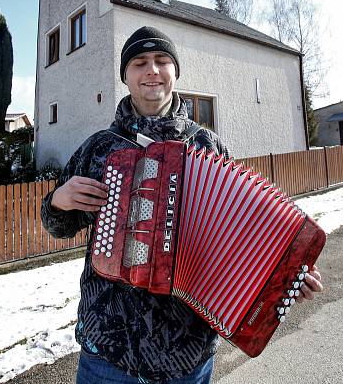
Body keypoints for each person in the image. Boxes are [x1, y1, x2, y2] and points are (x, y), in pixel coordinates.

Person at [41, 26, 324, 383]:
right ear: (126, 76)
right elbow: (57, 226)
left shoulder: (207, 145)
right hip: (107, 353)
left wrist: (288, 277)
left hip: (186, 355)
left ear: (175, 71)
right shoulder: (100, 148)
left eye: (162, 60)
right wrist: (58, 201)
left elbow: (245, 235)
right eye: (140, 62)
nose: (152, 70)